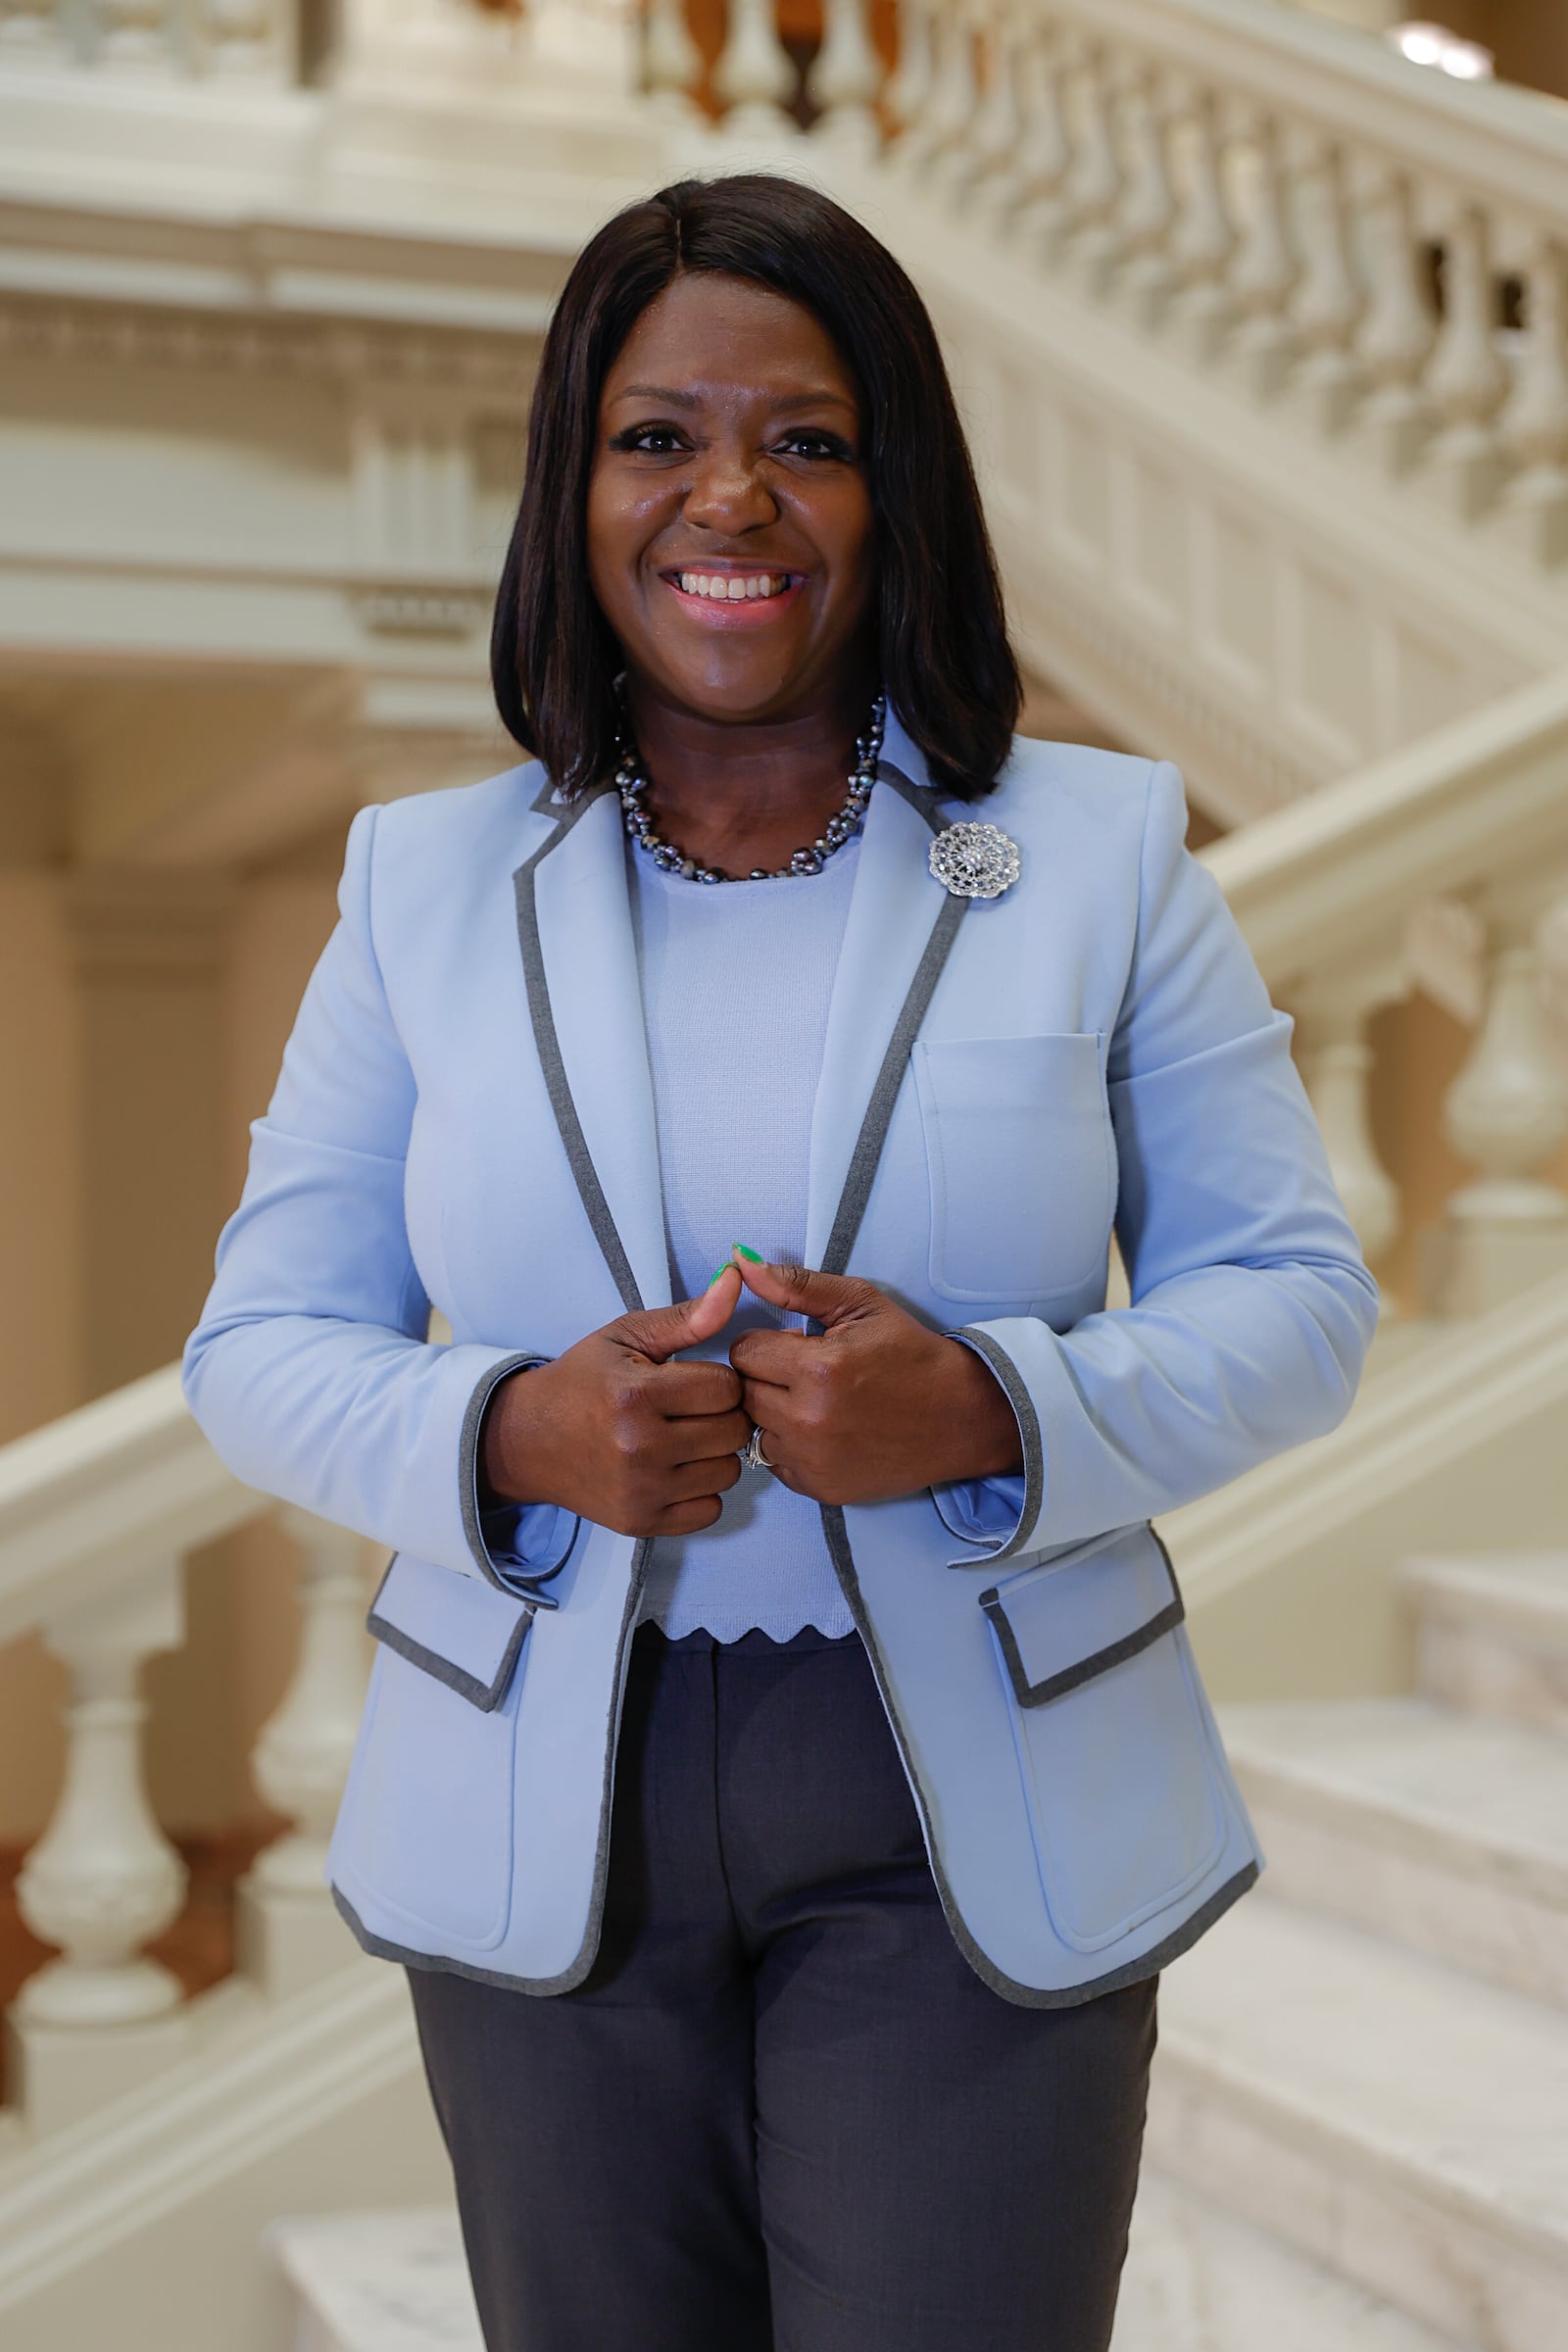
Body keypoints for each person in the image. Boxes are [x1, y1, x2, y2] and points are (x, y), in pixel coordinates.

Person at [183, 173, 1379, 2352]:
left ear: (890, 479)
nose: (726, 495)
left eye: (804, 437)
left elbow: (1293, 1304)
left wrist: (1001, 1405)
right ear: (575, 481)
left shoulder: (1100, 861)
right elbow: (259, 1340)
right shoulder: (422, 885)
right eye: (655, 435)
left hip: (968, 1797)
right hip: (547, 1781)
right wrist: (506, 1430)